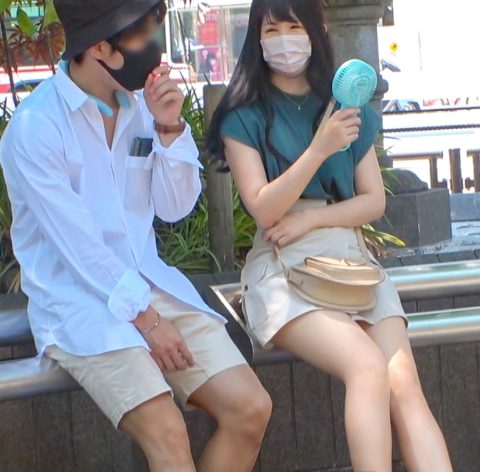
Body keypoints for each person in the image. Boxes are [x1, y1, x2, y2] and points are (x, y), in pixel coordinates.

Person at [0, 1, 272, 471]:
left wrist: (168, 126)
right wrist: (147, 320)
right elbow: (79, 249)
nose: (154, 46)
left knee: (250, 409)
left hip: (150, 283)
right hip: (79, 304)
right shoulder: (36, 127)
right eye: (141, 34)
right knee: (167, 431)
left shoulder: (140, 106)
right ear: (98, 46)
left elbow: (175, 207)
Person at [207, 0, 453, 470]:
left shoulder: (344, 106)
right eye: (270, 29)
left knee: (404, 383)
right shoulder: (243, 114)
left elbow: (373, 201)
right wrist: (319, 149)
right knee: (366, 365)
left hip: (349, 258)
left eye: (293, 26)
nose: (282, 39)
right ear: (256, 38)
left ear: (316, 30)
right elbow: (264, 208)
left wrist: (312, 220)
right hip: (284, 268)